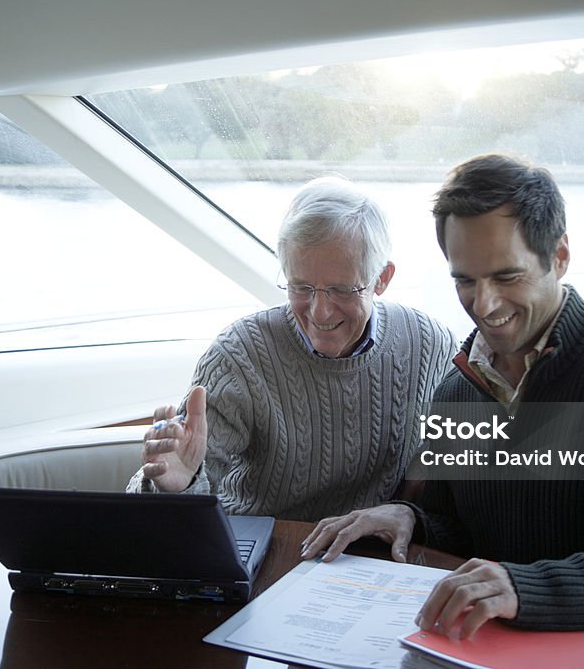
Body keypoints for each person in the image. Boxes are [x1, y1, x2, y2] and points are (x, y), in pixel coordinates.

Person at [301, 154, 584, 637]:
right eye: (465, 279)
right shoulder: (457, 394)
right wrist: (408, 518)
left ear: (559, 256)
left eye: (506, 277)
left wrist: (527, 589)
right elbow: (461, 530)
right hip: (493, 647)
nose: (484, 305)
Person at [126, 176, 455, 521]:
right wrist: (173, 487)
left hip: (375, 557)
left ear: (382, 279)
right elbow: (154, 515)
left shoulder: (431, 344)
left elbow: (478, 476)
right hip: (262, 554)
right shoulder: (239, 356)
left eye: (341, 290)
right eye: (301, 287)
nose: (319, 311)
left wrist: (412, 514)